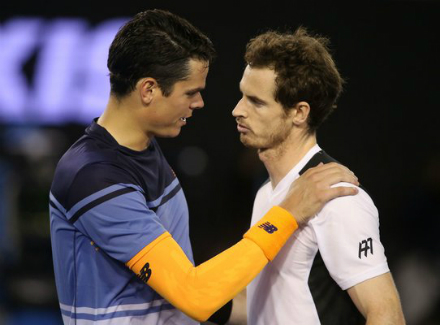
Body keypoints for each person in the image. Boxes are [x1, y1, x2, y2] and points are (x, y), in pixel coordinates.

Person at [49, 10, 359, 325]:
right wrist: (288, 213)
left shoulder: (142, 150)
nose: (199, 103)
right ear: (149, 90)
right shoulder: (93, 178)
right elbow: (194, 295)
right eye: (190, 92)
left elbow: (180, 296)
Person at [231, 27, 405, 324]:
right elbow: (268, 305)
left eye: (256, 101)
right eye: (242, 96)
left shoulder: (339, 197)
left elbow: (386, 314)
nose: (237, 110)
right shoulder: (265, 193)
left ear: (299, 113)